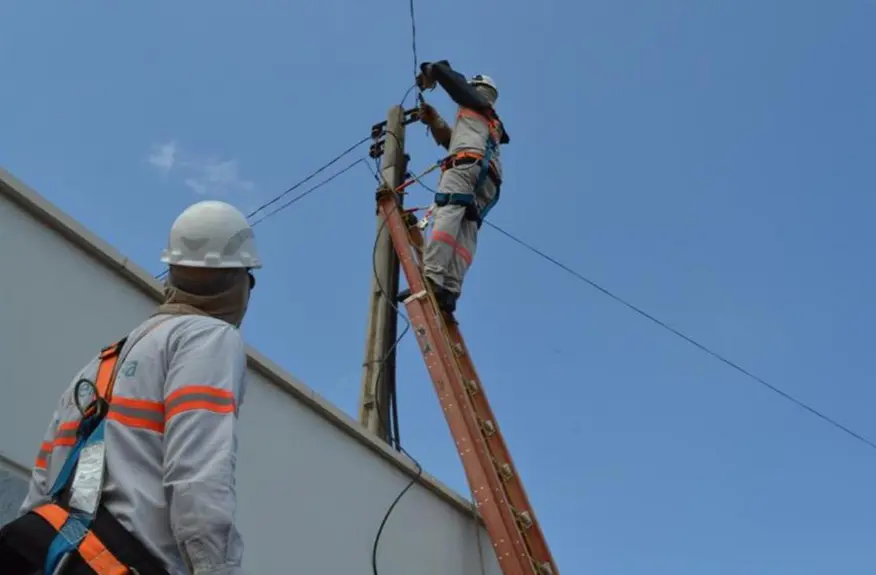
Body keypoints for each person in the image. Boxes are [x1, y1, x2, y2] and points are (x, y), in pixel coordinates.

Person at [0, 200, 260, 575]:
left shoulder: (99, 364)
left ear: (172, 272)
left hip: (39, 548)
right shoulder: (209, 339)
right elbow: (197, 479)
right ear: (239, 280)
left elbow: (41, 489)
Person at [397, 61, 510, 317]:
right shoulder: (488, 121)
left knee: (448, 211)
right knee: (466, 230)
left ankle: (433, 278)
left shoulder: (472, 102)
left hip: (466, 166)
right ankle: (449, 290)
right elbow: (453, 141)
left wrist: (431, 70)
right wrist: (434, 120)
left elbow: (446, 73)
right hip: (488, 180)